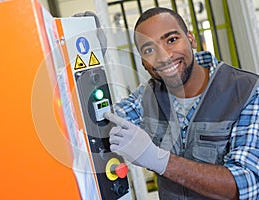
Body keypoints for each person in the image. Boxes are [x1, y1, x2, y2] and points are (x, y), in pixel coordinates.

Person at [103, 7, 259, 200]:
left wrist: (158, 159)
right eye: (149, 50)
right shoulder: (148, 95)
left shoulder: (247, 91)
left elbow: (246, 184)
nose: (164, 57)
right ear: (143, 61)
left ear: (191, 39)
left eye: (171, 40)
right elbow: (106, 123)